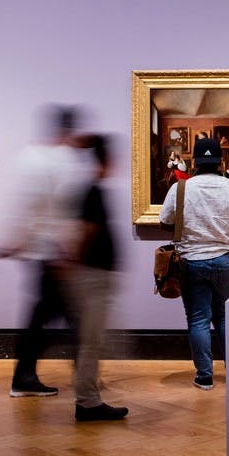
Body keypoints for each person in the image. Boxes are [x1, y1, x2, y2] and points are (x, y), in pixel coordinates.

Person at [0, 106, 89, 397]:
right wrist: (67, 251)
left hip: (41, 252)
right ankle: (81, 379)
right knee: (69, 317)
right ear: (70, 132)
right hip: (55, 254)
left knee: (46, 316)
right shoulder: (66, 161)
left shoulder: (30, 157)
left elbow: (24, 205)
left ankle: (29, 376)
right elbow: (67, 210)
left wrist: (15, 240)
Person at [159, 135, 229, 390]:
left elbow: (165, 222)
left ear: (195, 162)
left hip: (191, 260)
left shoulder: (181, 188)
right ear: (220, 162)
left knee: (198, 319)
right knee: (224, 318)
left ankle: (204, 376)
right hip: (224, 261)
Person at [68, 134, 128, 421]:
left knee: (92, 339)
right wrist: (76, 263)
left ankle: (88, 398)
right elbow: (87, 232)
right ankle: (87, 401)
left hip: (92, 274)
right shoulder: (93, 192)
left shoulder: (92, 190)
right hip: (92, 275)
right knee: (91, 340)